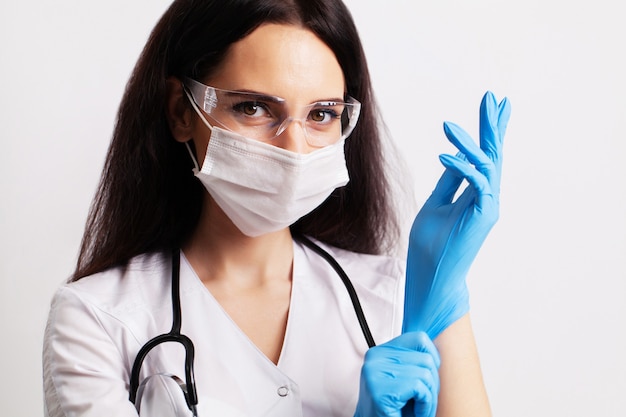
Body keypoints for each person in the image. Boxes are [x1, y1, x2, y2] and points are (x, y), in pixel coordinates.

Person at [42, 1, 511, 416]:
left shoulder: (399, 301)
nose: (294, 148)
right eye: (253, 108)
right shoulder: (98, 320)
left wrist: (442, 301)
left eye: (321, 114)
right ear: (181, 112)